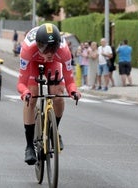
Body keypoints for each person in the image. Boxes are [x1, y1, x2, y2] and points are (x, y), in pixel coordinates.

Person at [17, 23, 81, 165]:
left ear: (58, 45)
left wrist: (73, 91)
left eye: (53, 48)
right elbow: (21, 83)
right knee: (32, 97)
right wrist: (25, 93)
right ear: (38, 45)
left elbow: (70, 80)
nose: (50, 53)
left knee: (58, 94)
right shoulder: (28, 50)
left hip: (54, 65)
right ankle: (29, 146)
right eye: (45, 49)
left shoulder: (64, 51)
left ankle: (54, 131)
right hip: (33, 63)